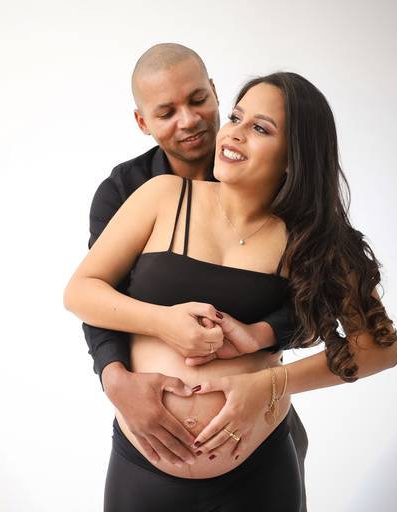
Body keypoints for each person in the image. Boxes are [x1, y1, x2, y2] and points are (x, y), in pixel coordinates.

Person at [64, 69, 397, 511]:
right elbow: (81, 291)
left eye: (260, 128)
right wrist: (157, 331)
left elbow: (378, 349)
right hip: (143, 465)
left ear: (294, 156)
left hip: (258, 471)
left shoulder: (313, 239)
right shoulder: (160, 195)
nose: (234, 133)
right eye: (237, 118)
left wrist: (270, 384)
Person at [81, 44, 310, 509]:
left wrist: (263, 336)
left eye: (198, 99)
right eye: (166, 112)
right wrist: (115, 377)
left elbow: (313, 303)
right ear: (143, 122)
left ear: (215, 91)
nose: (188, 121)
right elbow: (97, 296)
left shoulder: (275, 183)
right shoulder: (127, 191)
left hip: (257, 441)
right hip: (147, 449)